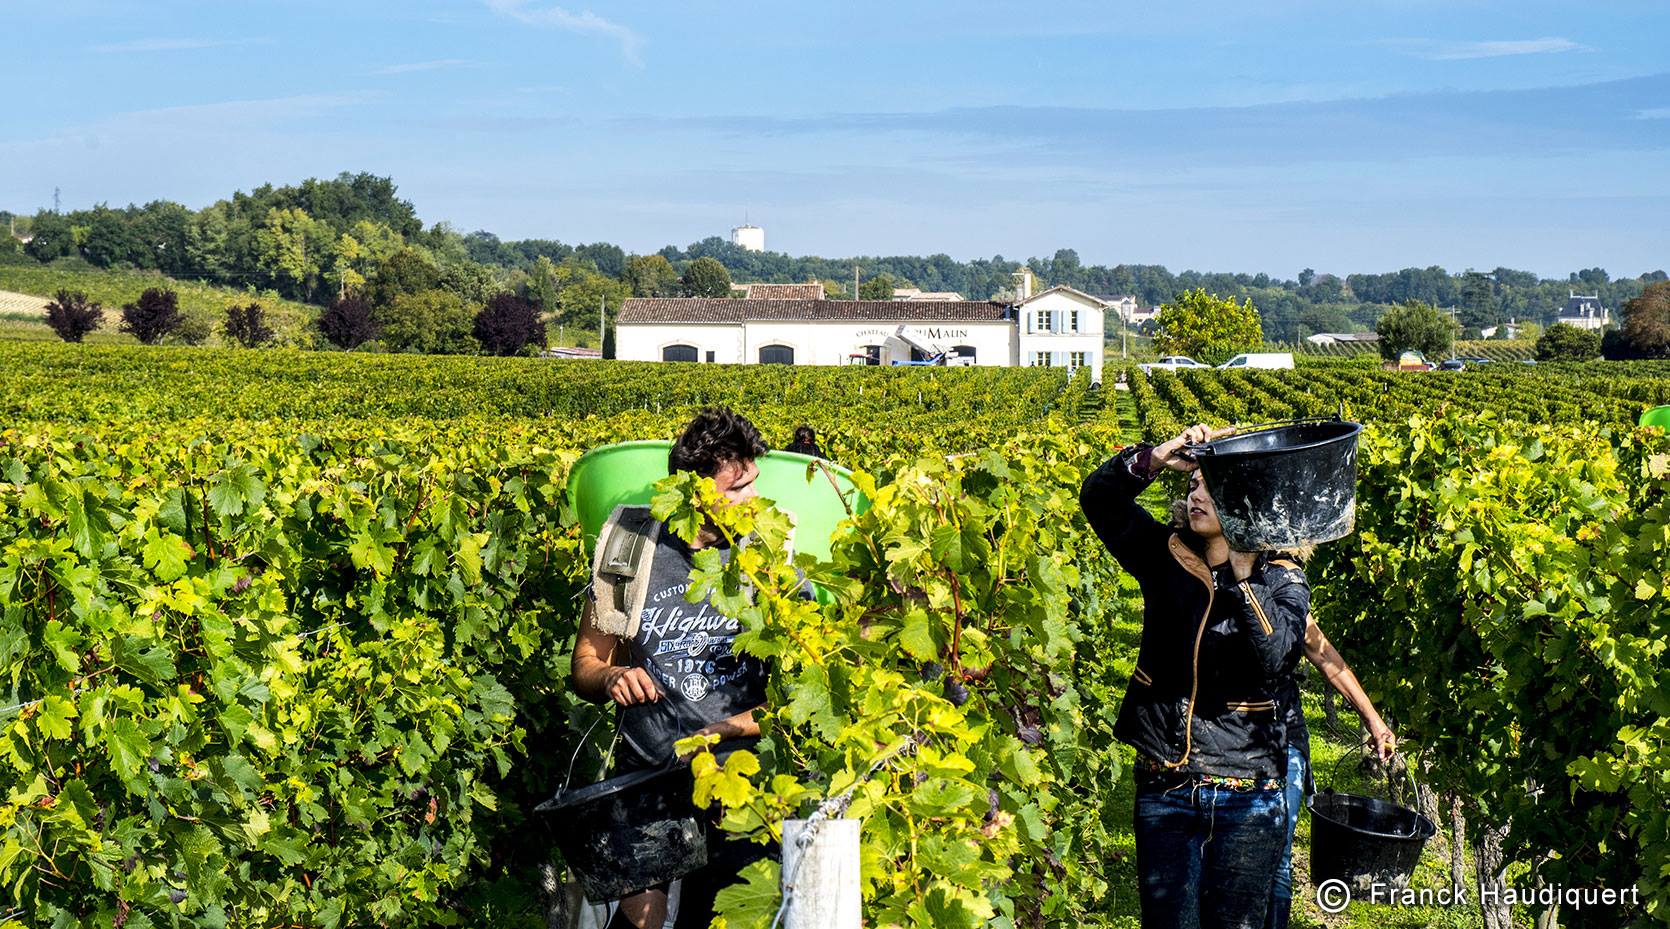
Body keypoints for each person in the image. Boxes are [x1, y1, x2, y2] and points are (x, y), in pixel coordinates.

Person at [1079, 424, 1308, 929]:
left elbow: (1275, 656)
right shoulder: (1165, 557)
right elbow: (1099, 499)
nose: (1196, 495)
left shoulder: (1282, 577)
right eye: (1194, 485)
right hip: (1167, 783)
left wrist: (1242, 574)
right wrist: (1157, 457)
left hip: (1248, 789)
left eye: (1211, 486)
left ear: (1246, 502)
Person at [571, 407, 775, 929]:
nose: (750, 498)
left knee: (718, 916)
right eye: (735, 489)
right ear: (693, 490)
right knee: (640, 920)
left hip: (739, 777)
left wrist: (725, 730)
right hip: (647, 773)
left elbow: (801, 695)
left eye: (753, 482)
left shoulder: (770, 555)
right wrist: (612, 676)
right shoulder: (630, 550)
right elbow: (587, 663)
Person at [1265, 618, 1396, 929]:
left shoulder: (1284, 581)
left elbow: (1321, 651)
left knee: (1277, 858)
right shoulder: (1207, 581)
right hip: (1221, 747)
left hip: (1284, 737)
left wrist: (1374, 722)